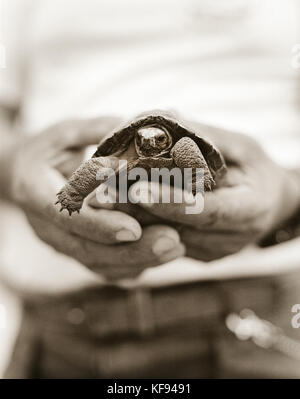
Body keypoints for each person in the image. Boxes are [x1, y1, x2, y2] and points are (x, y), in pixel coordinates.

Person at [0, 0, 299, 378]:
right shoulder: (115, 160)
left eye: (161, 141)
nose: (153, 145)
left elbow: (190, 152)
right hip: (58, 325)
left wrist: (286, 198)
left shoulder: (185, 147)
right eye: (147, 141)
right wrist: (29, 176)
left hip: (262, 314)